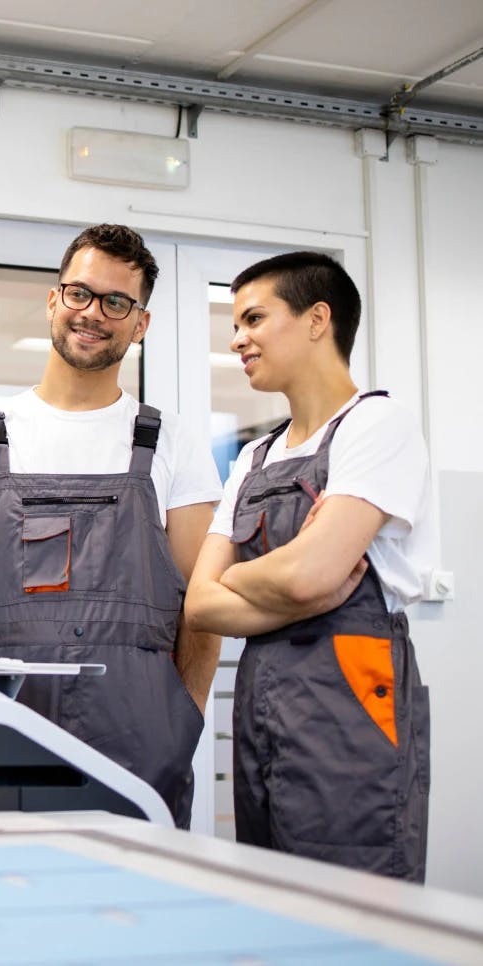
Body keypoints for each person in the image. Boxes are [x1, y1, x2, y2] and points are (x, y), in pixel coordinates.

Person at [0, 224, 223, 826]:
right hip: (8, 729)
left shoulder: (171, 443)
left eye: (118, 302)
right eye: (80, 293)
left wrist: (181, 720)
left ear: (140, 324)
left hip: (141, 743)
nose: (94, 313)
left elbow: (202, 605)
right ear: (53, 300)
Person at [185, 251, 431, 881]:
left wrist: (244, 577)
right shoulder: (254, 457)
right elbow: (201, 605)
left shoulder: (376, 425)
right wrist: (282, 577)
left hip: (350, 692)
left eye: (254, 318)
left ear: (317, 318)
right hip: (264, 694)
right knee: (270, 892)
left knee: (354, 890)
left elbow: (309, 577)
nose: (238, 339)